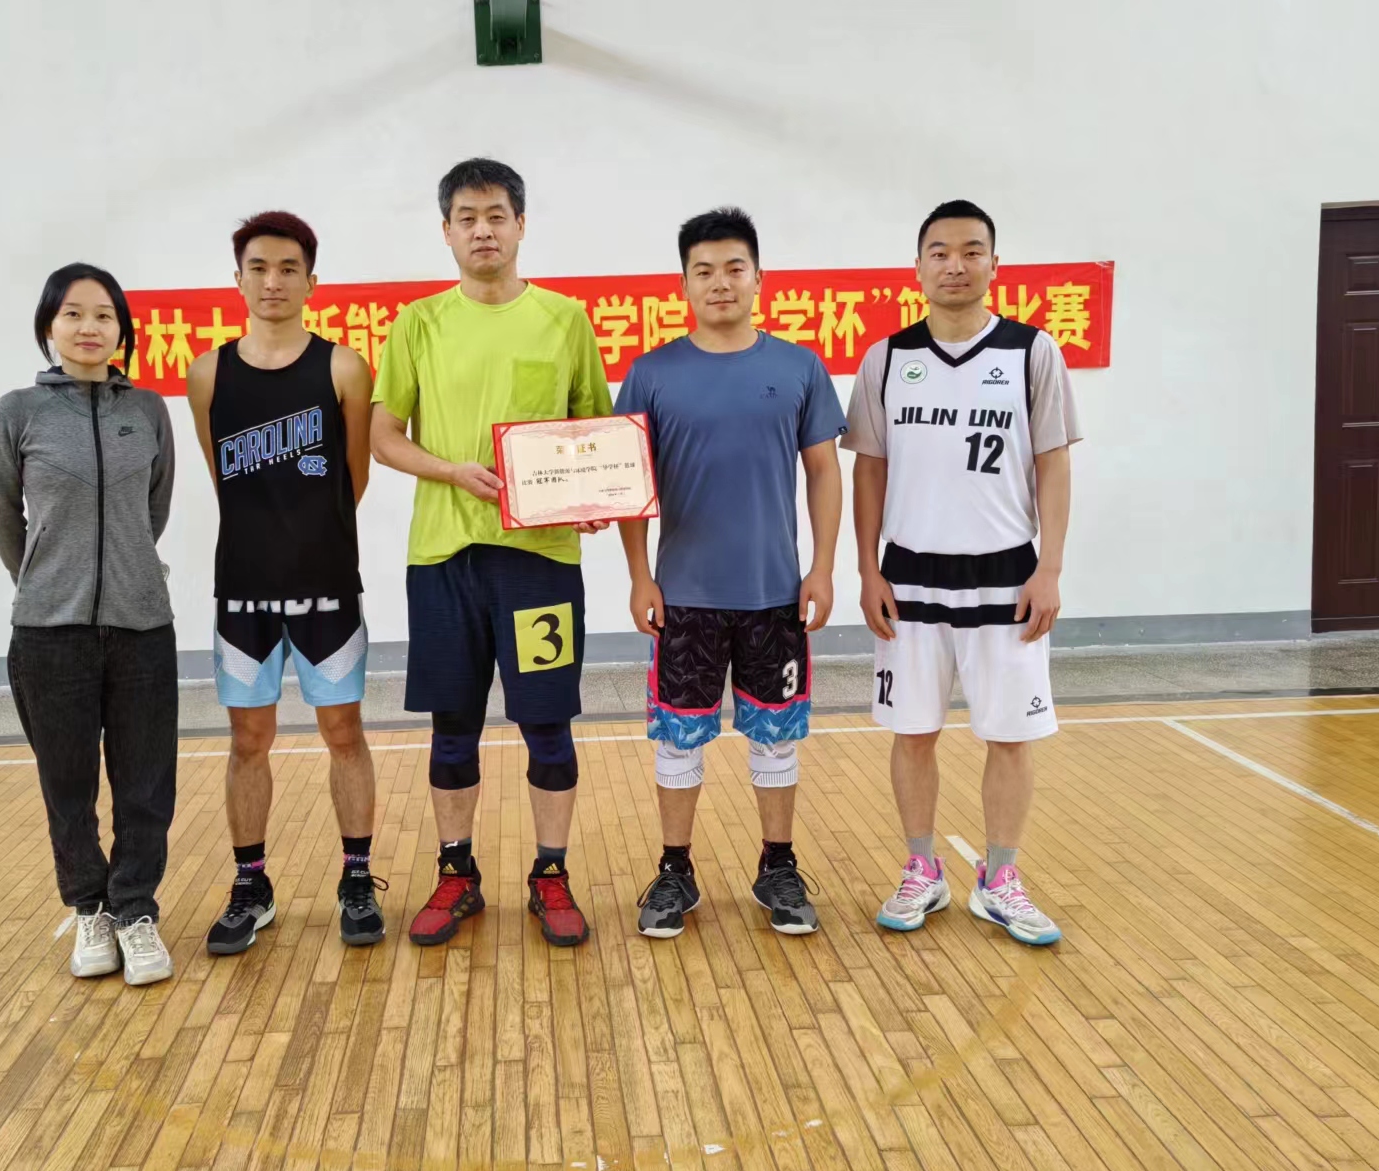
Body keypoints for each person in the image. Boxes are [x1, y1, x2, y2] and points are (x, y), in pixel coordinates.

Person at [371, 158, 612, 948]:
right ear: (446, 231)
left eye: (496, 215)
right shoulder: (418, 323)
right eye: (467, 218)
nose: (483, 230)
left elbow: (594, 433)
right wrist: (451, 471)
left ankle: (551, 873)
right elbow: (383, 436)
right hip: (444, 559)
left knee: (548, 725)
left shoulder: (565, 320)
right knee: (452, 727)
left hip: (541, 562)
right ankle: (456, 873)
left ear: (521, 224)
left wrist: (592, 497)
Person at [844, 200, 1082, 946]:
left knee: (1009, 735)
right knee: (913, 731)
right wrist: (867, 569)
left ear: (994, 264)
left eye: (971, 251)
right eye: (940, 252)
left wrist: (1050, 567)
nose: (955, 264)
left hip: (1007, 579)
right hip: (909, 579)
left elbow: (1054, 463)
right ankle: (922, 868)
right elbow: (869, 470)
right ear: (917, 266)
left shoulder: (1032, 352)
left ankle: (1000, 878)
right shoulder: (886, 359)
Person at [617, 208, 846, 938]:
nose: (720, 282)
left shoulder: (799, 367)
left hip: (775, 595)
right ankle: (674, 869)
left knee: (776, 738)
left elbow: (824, 472)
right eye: (704, 271)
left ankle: (778, 864)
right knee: (678, 739)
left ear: (758, 277)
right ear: (684, 283)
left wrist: (823, 568)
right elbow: (629, 485)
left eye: (734, 268)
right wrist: (639, 575)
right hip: (683, 596)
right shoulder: (651, 373)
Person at [186, 212, 383, 951]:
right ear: (237, 279)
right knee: (248, 740)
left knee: (344, 732)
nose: (273, 281)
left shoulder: (344, 367)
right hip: (242, 590)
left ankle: (356, 877)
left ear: (311, 281)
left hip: (328, 586)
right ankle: (251, 883)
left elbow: (353, 479)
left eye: (289, 268)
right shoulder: (207, 374)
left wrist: (308, 538)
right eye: (259, 267)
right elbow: (223, 477)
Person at [0, 263, 179, 986]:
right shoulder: (17, 413)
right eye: (73, 314)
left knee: (146, 785)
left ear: (122, 329)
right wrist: (44, 579)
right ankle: (90, 908)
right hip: (48, 630)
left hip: (141, 625)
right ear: (49, 326)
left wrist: (126, 568)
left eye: (104, 315)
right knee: (67, 785)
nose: (89, 327)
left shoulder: (149, 410)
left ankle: (136, 911)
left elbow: (154, 509)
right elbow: (1, 515)